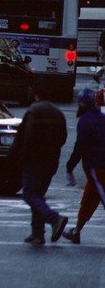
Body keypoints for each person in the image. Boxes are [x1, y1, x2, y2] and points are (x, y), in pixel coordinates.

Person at [9, 82, 68, 244]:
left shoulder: (34, 111)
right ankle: (37, 233)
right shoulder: (58, 112)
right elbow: (63, 137)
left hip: (35, 159)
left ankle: (54, 219)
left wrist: (21, 156)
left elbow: (26, 136)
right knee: (38, 195)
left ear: (35, 93)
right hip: (52, 160)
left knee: (29, 193)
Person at [61, 87, 105, 244]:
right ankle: (76, 231)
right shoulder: (101, 118)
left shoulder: (85, 121)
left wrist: (70, 165)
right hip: (98, 165)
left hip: (97, 165)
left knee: (97, 196)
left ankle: (77, 231)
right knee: (89, 199)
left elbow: (80, 146)